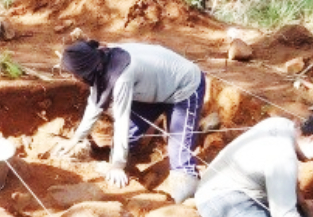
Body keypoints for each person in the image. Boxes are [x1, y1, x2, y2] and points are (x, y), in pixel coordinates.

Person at [53, 40, 206, 202]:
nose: (73, 78)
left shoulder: (121, 77)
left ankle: (189, 199)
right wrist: (76, 140)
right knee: (129, 136)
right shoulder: (100, 62)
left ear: (84, 71)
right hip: (153, 87)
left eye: (73, 74)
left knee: (179, 154)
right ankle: (128, 161)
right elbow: (94, 105)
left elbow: (121, 121)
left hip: (183, 87)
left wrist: (117, 166)